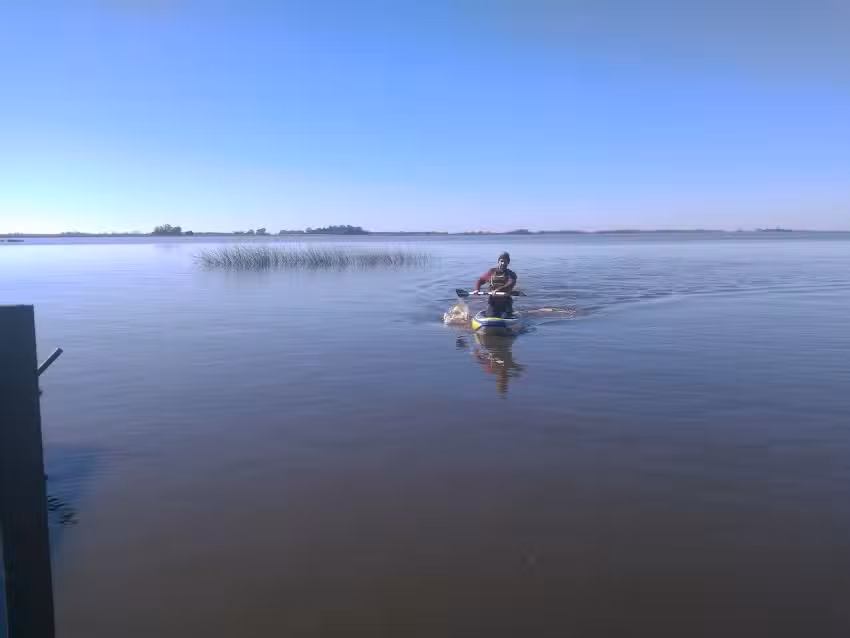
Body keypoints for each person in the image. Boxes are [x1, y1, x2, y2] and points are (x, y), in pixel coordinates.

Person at [474, 252, 518, 317]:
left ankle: (509, 312)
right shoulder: (491, 272)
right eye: (501, 261)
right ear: (498, 261)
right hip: (493, 302)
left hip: (505, 302)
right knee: (490, 316)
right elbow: (480, 280)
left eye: (505, 262)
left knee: (505, 316)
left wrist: (498, 290)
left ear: (508, 263)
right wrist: (477, 289)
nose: (503, 263)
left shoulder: (511, 274)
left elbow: (510, 284)